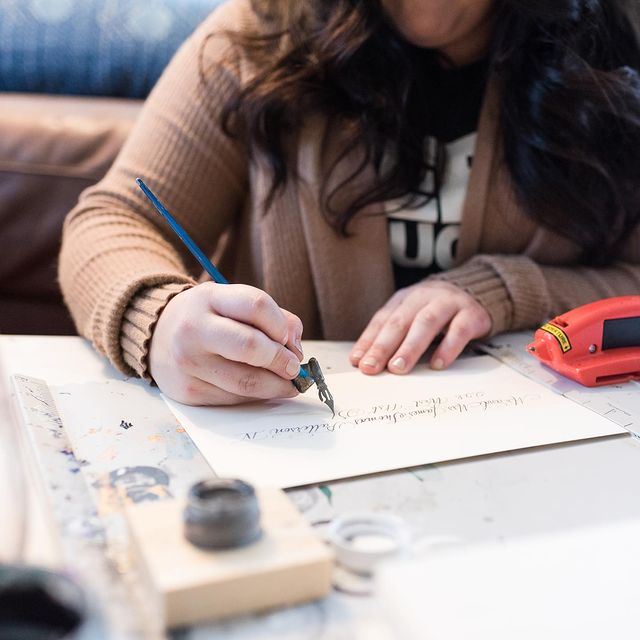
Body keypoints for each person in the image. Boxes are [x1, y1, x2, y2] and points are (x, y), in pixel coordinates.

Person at [59, 0, 640, 407]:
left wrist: (508, 293)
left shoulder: (613, 55)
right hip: (293, 442)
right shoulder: (261, 33)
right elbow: (111, 221)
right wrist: (157, 319)